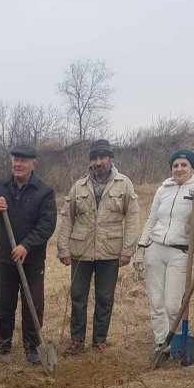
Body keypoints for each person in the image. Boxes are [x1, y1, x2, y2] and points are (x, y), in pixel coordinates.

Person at [0, 144, 57, 364]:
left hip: (32, 260)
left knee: (33, 305)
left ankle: (33, 349)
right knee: (4, 304)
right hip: (5, 258)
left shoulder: (44, 191)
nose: (18, 164)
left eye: (23, 160)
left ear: (33, 164)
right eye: (15, 159)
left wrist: (26, 246)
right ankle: (2, 347)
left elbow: (47, 225)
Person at [57, 139, 139, 355]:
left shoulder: (124, 184)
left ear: (110, 158)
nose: (98, 162)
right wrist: (63, 249)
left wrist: (127, 250)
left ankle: (99, 340)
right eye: (94, 158)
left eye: (102, 157)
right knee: (77, 297)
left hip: (110, 252)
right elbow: (67, 219)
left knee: (105, 298)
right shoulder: (79, 186)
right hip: (81, 252)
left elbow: (132, 218)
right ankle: (76, 341)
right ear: (90, 162)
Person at [133, 148, 194, 356]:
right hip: (155, 250)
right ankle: (161, 344)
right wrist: (141, 248)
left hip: (180, 253)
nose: (179, 169)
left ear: (192, 168)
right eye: (175, 165)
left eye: (183, 165)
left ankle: (177, 340)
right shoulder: (163, 189)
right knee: (156, 302)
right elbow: (151, 220)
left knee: (172, 304)